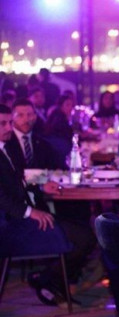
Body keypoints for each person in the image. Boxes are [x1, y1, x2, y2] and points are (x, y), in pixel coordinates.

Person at [0, 104, 96, 306]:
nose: (9, 127)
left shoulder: (5, 149)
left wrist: (41, 187)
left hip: (21, 217)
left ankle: (50, 280)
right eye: (3, 124)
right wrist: (30, 212)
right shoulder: (7, 149)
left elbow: (18, 184)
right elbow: (3, 198)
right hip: (11, 227)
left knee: (84, 230)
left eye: (9, 122)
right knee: (85, 237)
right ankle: (49, 279)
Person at [8, 98, 61, 169]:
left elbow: (57, 168)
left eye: (29, 115)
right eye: (20, 115)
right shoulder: (4, 144)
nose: (26, 119)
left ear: (35, 117)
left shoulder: (44, 145)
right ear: (12, 117)